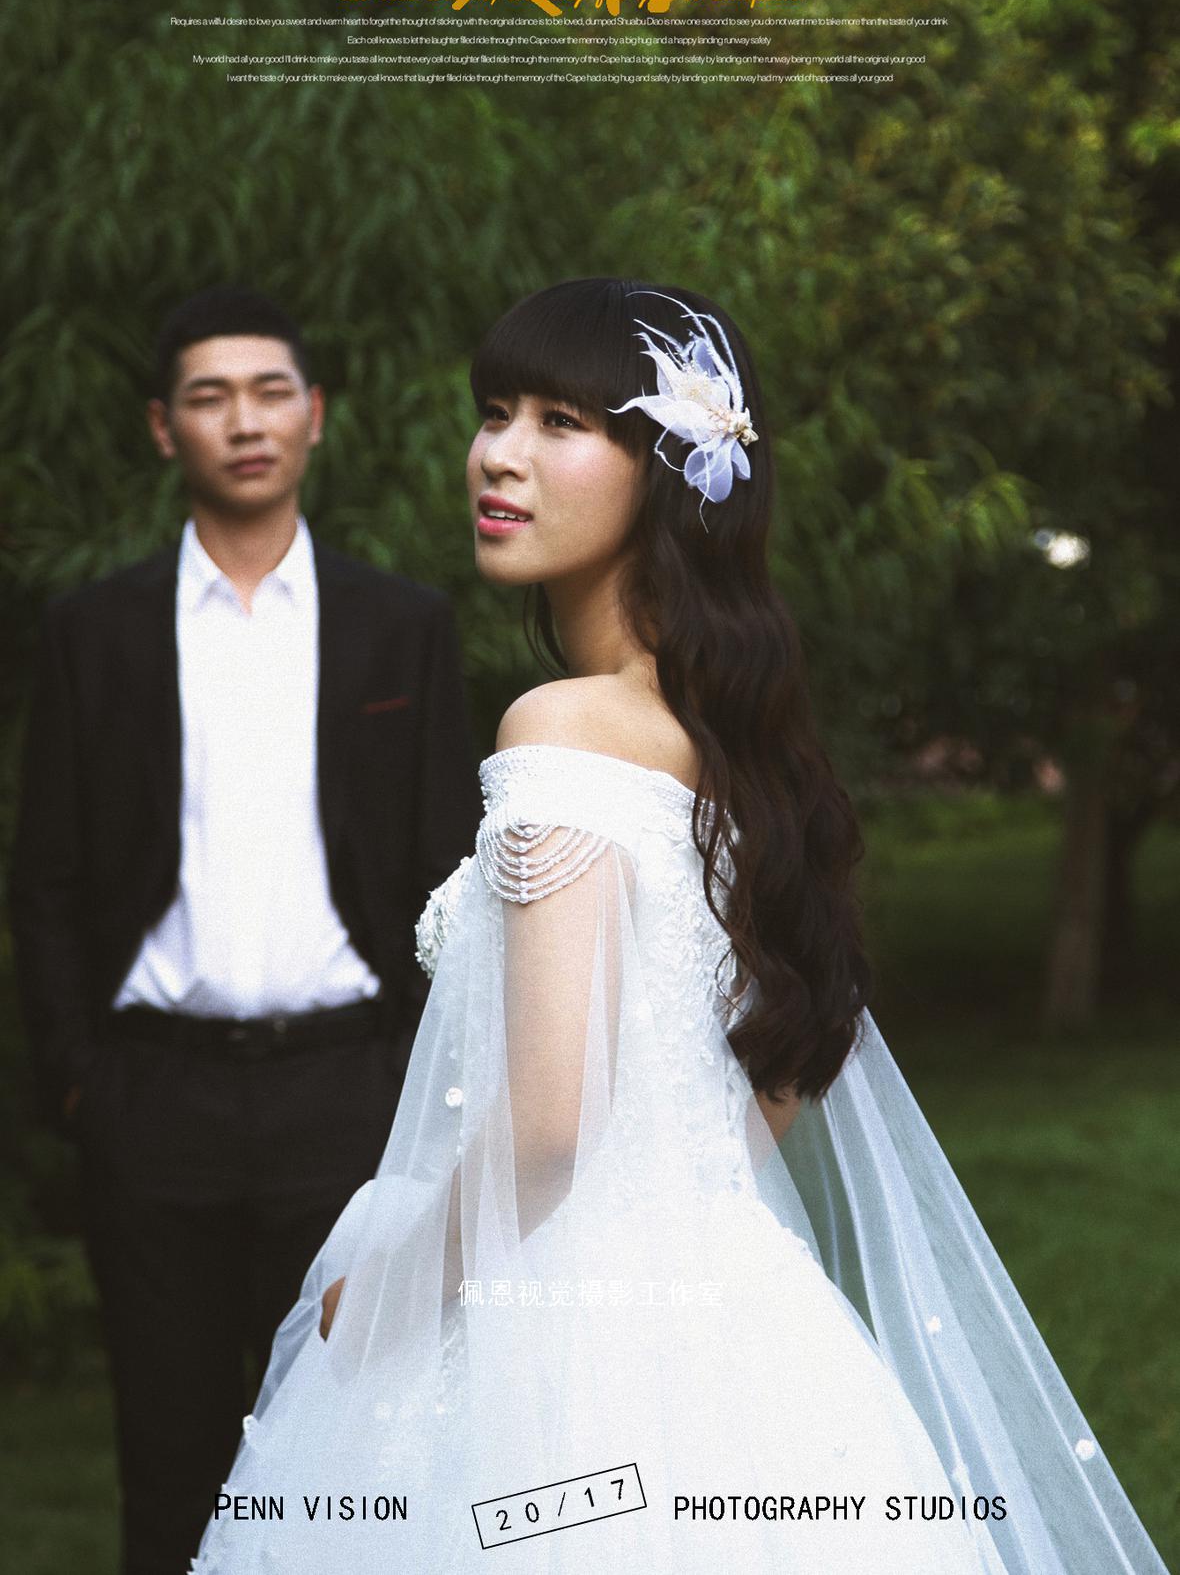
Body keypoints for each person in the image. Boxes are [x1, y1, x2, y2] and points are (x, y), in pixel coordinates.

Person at [190, 279, 1166, 1574]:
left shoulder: (561, 728)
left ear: (667, 474)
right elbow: (773, 1080)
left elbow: (547, 1127)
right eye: (496, 411)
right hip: (744, 1320)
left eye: (560, 423)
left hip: (551, 1341)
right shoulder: (739, 754)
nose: (499, 454)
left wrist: (389, 1295)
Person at [9, 284, 482, 1575]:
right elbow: (47, 879)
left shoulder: (401, 627)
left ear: (315, 414)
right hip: (152, 1100)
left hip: (348, 1096)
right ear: (164, 427)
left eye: (271, 391)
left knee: (353, 1452)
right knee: (169, 1460)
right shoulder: (95, 632)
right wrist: (80, 1083)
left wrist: (413, 1080)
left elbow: (448, 871)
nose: (245, 420)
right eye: (209, 396)